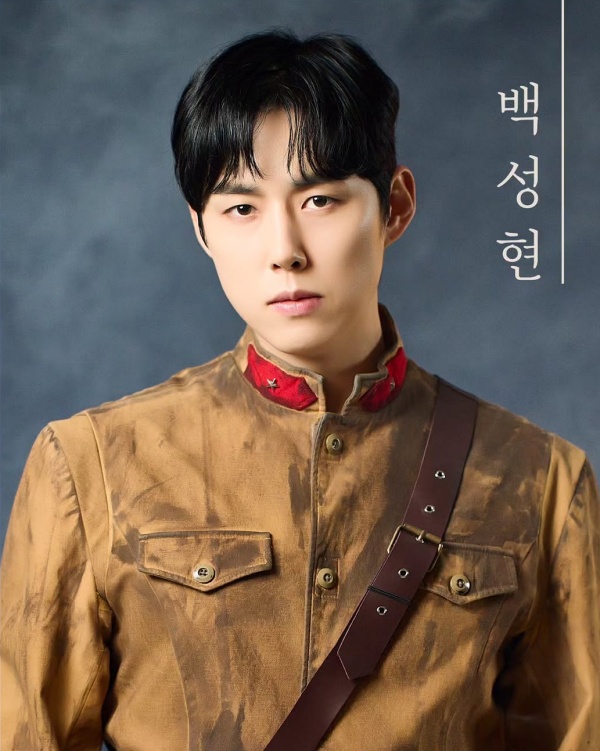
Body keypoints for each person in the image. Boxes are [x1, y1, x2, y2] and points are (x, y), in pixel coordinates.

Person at [1, 29, 598, 751]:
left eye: (319, 200)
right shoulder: (89, 464)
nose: (284, 249)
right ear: (201, 230)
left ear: (395, 206)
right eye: (242, 209)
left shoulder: (540, 480)